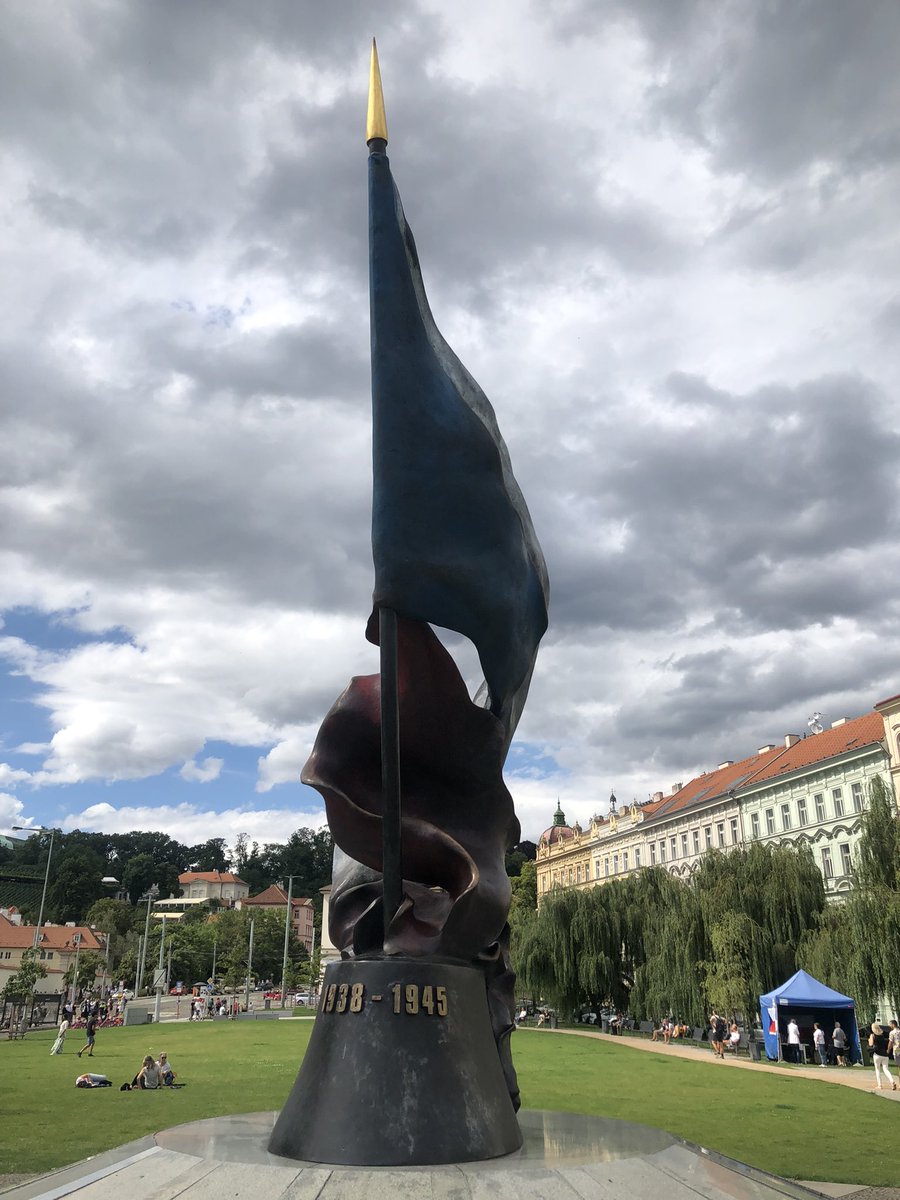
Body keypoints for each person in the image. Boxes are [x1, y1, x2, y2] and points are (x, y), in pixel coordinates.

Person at [868, 1023, 896, 1091]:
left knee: (878, 1070)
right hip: (885, 1055)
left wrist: (869, 1040)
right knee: (886, 1069)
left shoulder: (873, 1035)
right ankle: (892, 1081)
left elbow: (871, 1044)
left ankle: (879, 1085)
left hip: (877, 1054)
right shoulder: (882, 1035)